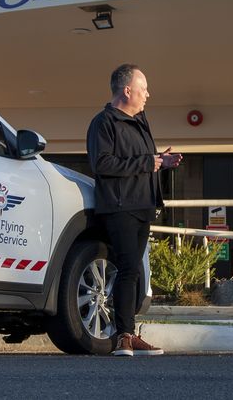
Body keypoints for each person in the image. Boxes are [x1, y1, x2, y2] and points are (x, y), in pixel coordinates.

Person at [86, 63, 182, 357]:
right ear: (127, 90)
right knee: (127, 270)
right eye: (143, 89)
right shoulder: (104, 123)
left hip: (143, 206)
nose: (148, 95)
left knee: (135, 273)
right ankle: (123, 337)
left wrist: (161, 162)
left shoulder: (140, 121)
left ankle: (130, 332)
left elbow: (143, 161)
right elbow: (101, 164)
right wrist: (147, 162)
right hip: (119, 207)